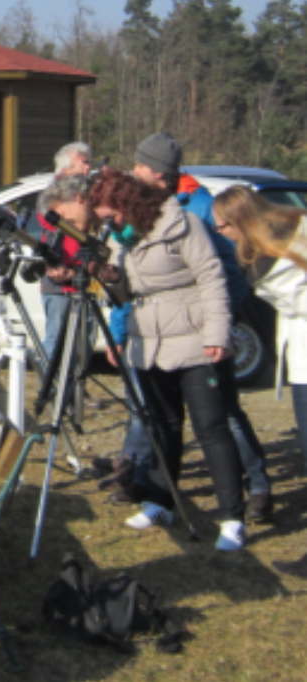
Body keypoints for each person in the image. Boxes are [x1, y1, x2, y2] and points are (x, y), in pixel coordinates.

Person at [89, 168, 247, 551]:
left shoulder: (184, 224)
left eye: (111, 216)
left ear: (128, 205)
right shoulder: (127, 240)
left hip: (194, 342)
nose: (109, 225)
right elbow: (129, 293)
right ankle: (160, 502)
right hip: (151, 344)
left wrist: (216, 335)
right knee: (162, 425)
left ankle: (232, 518)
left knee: (211, 428)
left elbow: (212, 277)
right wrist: (108, 277)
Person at [119, 134, 273, 520]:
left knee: (221, 420)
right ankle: (160, 498)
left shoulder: (198, 209)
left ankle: (255, 490)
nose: (133, 171)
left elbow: (224, 271)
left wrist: (219, 324)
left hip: (202, 333)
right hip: (161, 335)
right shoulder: (141, 218)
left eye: (139, 165)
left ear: (158, 172)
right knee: (168, 421)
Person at [212, 186, 307, 575]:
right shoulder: (261, 249)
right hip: (301, 357)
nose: (219, 233)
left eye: (222, 226)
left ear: (240, 221)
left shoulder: (294, 238)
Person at [38, 143, 92, 360]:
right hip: (59, 282)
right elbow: (51, 225)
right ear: (66, 169)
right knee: (56, 340)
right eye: (84, 162)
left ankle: (72, 389)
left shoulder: (88, 194)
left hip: (83, 276)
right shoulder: (54, 196)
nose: (89, 168)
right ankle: (51, 388)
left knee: (83, 342)